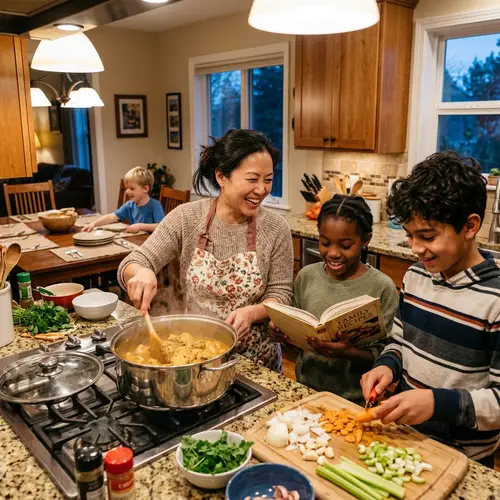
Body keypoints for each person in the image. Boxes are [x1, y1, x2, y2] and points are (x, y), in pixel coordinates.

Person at [361, 152, 500, 468]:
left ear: (470, 226)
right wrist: (387, 367)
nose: (415, 248)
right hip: (407, 440)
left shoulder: (495, 299)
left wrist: (436, 403)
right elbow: (399, 342)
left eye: (427, 236)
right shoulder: (416, 276)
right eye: (409, 235)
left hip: (463, 459)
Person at [117, 129, 293, 372]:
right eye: (252, 179)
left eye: (268, 179)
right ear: (221, 176)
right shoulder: (187, 218)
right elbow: (136, 260)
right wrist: (141, 273)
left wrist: (252, 313)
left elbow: (281, 293)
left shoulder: (276, 228)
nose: (262, 190)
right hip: (195, 357)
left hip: (256, 363)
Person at [270, 195, 398, 404]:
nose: (333, 253)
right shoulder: (306, 276)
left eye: (345, 245)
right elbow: (296, 333)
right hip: (305, 387)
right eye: (324, 243)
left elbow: (387, 354)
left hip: (356, 398)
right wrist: (281, 333)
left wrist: (349, 353)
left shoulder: (382, 287)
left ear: (365, 240)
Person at [83, 166, 164, 233]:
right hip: (137, 241)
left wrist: (139, 226)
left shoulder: (155, 205)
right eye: (127, 188)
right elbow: (112, 217)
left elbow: (160, 227)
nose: (128, 191)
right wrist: (93, 224)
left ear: (145, 189)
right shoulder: (129, 205)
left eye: (132, 188)